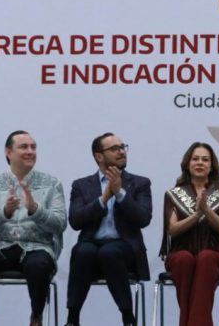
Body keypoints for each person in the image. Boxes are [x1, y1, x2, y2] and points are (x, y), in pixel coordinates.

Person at [0, 131, 67, 326]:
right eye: (24, 147)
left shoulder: (52, 183)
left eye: (33, 147)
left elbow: (60, 223)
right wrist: (3, 212)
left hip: (37, 247)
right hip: (0, 248)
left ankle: (36, 317)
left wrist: (35, 210)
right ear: (8, 152)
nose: (30, 151)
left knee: (38, 264)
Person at [66, 133, 152, 326]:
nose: (122, 151)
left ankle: (127, 316)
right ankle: (72, 318)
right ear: (99, 156)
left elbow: (143, 218)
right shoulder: (81, 185)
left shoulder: (140, 183)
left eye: (123, 147)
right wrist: (104, 199)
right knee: (82, 251)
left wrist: (120, 193)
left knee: (109, 252)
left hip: (124, 248)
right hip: (91, 244)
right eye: (115, 148)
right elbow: (75, 221)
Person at [161, 142, 219, 326]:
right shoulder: (174, 194)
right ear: (187, 164)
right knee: (184, 259)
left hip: (216, 254)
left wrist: (206, 210)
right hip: (181, 252)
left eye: (205, 159)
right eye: (195, 159)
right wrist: (196, 215)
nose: (200, 163)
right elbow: (172, 229)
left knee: (205, 257)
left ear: (212, 166)